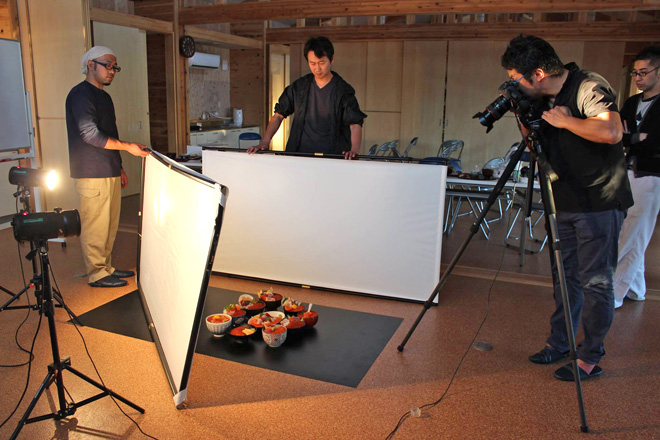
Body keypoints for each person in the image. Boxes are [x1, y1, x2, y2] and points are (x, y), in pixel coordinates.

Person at [501, 35, 633, 382]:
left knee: (596, 282)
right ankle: (560, 343)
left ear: (539, 73)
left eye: (517, 78)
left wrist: (565, 121)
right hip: (563, 202)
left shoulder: (587, 85)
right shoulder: (543, 100)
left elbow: (611, 130)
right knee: (565, 280)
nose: (515, 84)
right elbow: (536, 149)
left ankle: (590, 356)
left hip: (599, 201)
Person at [66, 46, 150, 288]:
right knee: (95, 224)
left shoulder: (104, 96)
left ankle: (106, 267)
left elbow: (110, 134)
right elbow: (90, 135)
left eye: (115, 67)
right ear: (90, 65)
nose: (112, 71)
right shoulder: (81, 95)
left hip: (108, 168)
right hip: (91, 171)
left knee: (110, 223)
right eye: (108, 65)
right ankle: (97, 273)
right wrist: (128, 147)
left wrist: (119, 166)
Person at [247, 36, 367, 160]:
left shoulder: (343, 90)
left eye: (322, 63)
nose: (317, 68)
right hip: (300, 155)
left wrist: (354, 150)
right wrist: (265, 142)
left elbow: (355, 123)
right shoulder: (299, 87)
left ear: (332, 59)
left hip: (332, 156)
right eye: (312, 63)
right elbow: (278, 115)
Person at [614, 46, 660, 308]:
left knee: (632, 233)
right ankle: (636, 288)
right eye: (635, 73)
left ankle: (615, 293)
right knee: (630, 228)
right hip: (626, 171)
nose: (638, 78)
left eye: (644, 72)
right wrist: (635, 138)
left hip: (652, 175)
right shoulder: (632, 102)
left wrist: (634, 139)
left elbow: (655, 143)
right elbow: (618, 133)